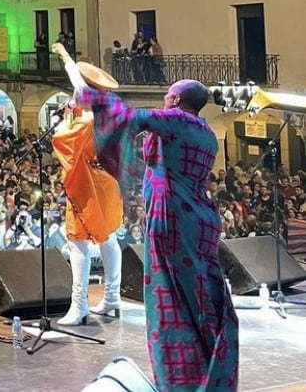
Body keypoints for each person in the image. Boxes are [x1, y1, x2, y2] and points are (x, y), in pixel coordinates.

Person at [74, 73, 238, 391]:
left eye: (168, 95)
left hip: (175, 219)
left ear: (176, 100)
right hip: (198, 219)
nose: (165, 99)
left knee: (171, 299)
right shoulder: (205, 131)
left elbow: (131, 118)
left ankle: (185, 379)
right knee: (197, 299)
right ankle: (206, 365)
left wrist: (92, 96)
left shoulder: (176, 119)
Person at [51, 43, 124, 326]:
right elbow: (81, 94)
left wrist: (66, 58)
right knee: (108, 237)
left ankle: (79, 305)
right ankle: (112, 297)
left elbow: (61, 139)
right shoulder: (109, 113)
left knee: (77, 241)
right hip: (107, 183)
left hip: (88, 185)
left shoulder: (86, 120)